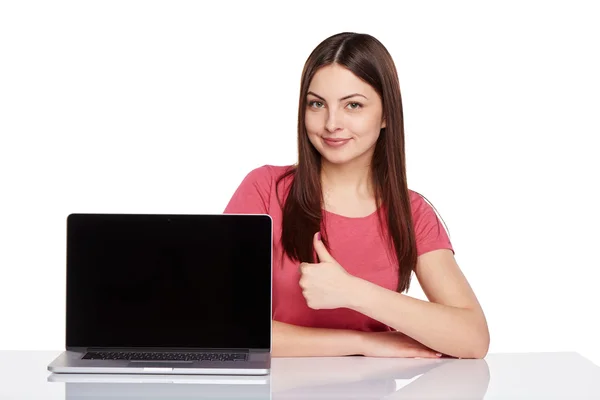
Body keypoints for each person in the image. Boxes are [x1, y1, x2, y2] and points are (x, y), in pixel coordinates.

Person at [224, 32, 489, 359]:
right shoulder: (265, 189)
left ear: (386, 115)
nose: (332, 123)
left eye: (353, 105)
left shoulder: (413, 212)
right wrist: (362, 343)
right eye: (317, 104)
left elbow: (473, 339)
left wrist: (353, 292)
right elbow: (227, 327)